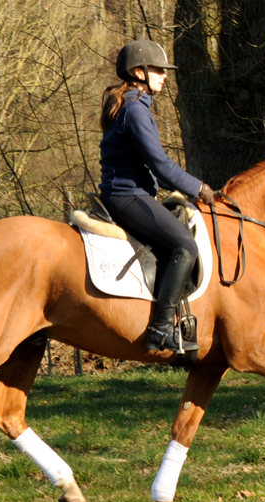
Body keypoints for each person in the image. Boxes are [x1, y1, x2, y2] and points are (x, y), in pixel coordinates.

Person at [99, 39, 215, 353]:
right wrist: (199, 188)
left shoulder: (131, 104)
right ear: (139, 71)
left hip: (128, 193)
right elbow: (161, 165)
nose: (164, 76)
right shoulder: (135, 109)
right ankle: (161, 328)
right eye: (158, 70)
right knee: (184, 245)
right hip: (127, 196)